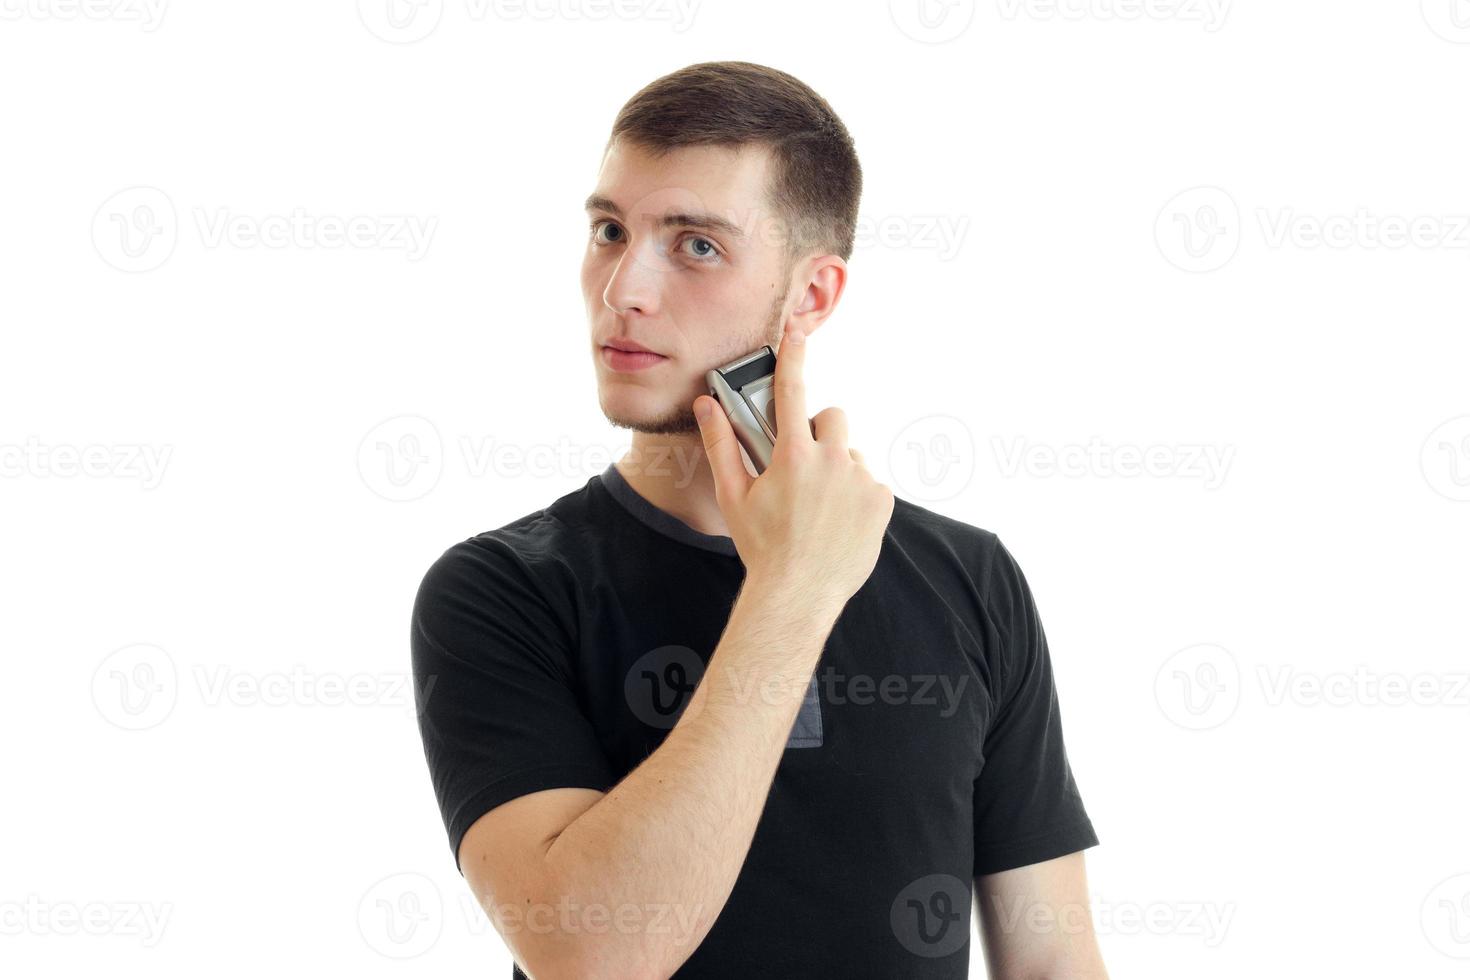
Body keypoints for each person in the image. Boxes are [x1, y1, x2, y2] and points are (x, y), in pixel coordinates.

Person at [411, 60, 1107, 979]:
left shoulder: (969, 579)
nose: (624, 288)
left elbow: (1052, 962)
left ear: (811, 296)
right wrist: (793, 587)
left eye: (695, 245)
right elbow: (592, 955)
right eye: (610, 230)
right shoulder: (502, 591)